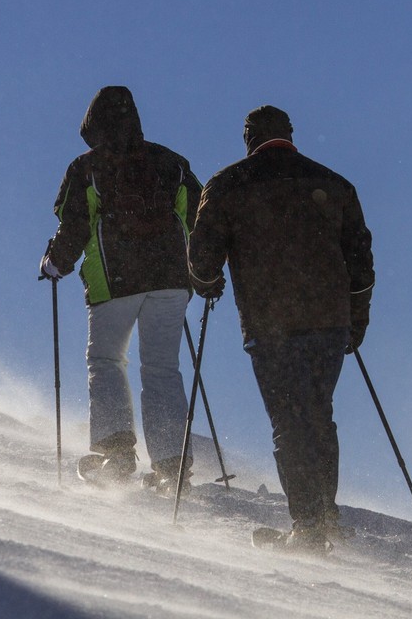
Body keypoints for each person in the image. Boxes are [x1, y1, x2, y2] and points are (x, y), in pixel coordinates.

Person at [188, 105, 374, 552]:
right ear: (290, 134)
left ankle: (307, 527)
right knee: (319, 414)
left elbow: (202, 255)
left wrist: (208, 284)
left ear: (248, 138)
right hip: (329, 321)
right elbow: (361, 264)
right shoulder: (334, 183)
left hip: (271, 322)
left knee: (289, 422)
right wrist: (356, 319)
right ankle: (325, 516)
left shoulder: (227, 184)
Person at [41, 86, 202, 492]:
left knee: (107, 360)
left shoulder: (87, 167)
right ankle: (171, 464)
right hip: (171, 280)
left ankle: (116, 452)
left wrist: (56, 262)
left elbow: (74, 223)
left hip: (116, 279)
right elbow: (199, 215)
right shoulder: (171, 162)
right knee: (163, 368)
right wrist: (199, 271)